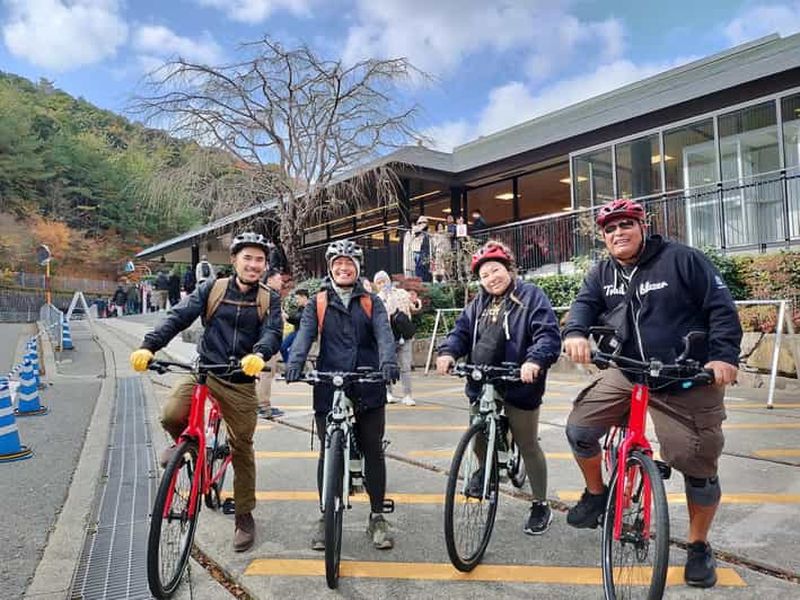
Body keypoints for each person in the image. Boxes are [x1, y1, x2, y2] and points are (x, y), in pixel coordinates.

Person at [561, 198, 741, 588]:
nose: (618, 232)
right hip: (629, 372)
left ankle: (697, 546)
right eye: (609, 229)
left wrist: (723, 358)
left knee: (695, 463)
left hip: (684, 375)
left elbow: (721, 308)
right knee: (579, 429)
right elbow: (583, 307)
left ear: (644, 227)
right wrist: (574, 333)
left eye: (626, 224)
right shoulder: (602, 273)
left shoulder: (682, 259)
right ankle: (596, 494)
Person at [129, 232, 283, 553]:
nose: (254, 265)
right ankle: (189, 448)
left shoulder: (269, 298)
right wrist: (148, 345)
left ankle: (243, 514)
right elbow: (177, 317)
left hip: (240, 380)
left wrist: (259, 353)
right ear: (235, 260)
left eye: (259, 260)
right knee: (171, 414)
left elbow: (273, 332)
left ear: (265, 265)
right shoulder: (211, 289)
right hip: (205, 372)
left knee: (241, 447)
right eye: (248, 258)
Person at [435, 240, 562, 535]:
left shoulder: (531, 296)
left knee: (528, 444)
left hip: (520, 381)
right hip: (483, 380)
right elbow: (460, 333)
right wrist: (447, 353)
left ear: (509, 269)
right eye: (485, 275)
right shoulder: (477, 304)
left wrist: (534, 361)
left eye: (496, 270)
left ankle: (540, 504)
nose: (492, 278)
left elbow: (547, 334)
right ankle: (487, 468)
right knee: (478, 434)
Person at [284, 239, 399, 551]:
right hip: (329, 382)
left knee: (373, 449)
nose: (343, 267)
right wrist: (294, 363)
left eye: (349, 263)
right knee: (328, 452)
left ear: (358, 268)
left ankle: (377, 516)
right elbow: (305, 334)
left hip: (368, 381)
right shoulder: (317, 302)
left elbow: (383, 333)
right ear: (331, 268)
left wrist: (388, 362)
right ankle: (326, 516)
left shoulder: (371, 302)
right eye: (338, 263)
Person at [373, 271, 417, 406]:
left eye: (383, 281)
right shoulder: (377, 299)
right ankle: (388, 393)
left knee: (405, 367)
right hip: (387, 337)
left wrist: (415, 302)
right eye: (378, 283)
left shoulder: (401, 293)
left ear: (388, 281)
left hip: (403, 335)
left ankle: (407, 395)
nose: (382, 285)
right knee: (387, 365)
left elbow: (412, 307)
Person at [256, 268, 285, 420]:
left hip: (263, 341)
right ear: (269, 280)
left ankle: (260, 404)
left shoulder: (261, 294)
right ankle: (263, 406)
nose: (281, 282)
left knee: (264, 374)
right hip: (266, 342)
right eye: (278, 279)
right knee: (265, 374)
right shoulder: (268, 296)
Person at [280, 288, 309, 363]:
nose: (297, 301)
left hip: (303, 333)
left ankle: (291, 366)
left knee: (287, 348)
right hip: (297, 332)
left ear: (304, 297)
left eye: (298, 298)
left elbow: (301, 318)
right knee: (284, 348)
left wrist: (288, 317)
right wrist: (287, 318)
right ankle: (290, 366)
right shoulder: (300, 308)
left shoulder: (310, 308)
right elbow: (296, 321)